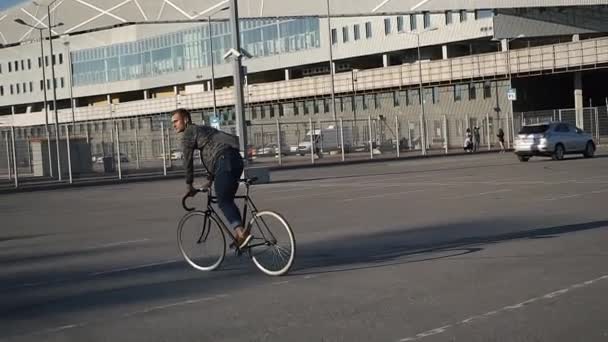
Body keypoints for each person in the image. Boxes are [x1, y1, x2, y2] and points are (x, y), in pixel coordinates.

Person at [172, 108, 251, 249]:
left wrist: (189, 184)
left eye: (176, 121)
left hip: (224, 161)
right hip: (236, 160)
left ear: (185, 120)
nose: (174, 124)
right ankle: (241, 235)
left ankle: (241, 232)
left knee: (223, 201)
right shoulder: (204, 129)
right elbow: (213, 150)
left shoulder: (188, 133)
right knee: (228, 199)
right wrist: (210, 180)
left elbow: (188, 160)